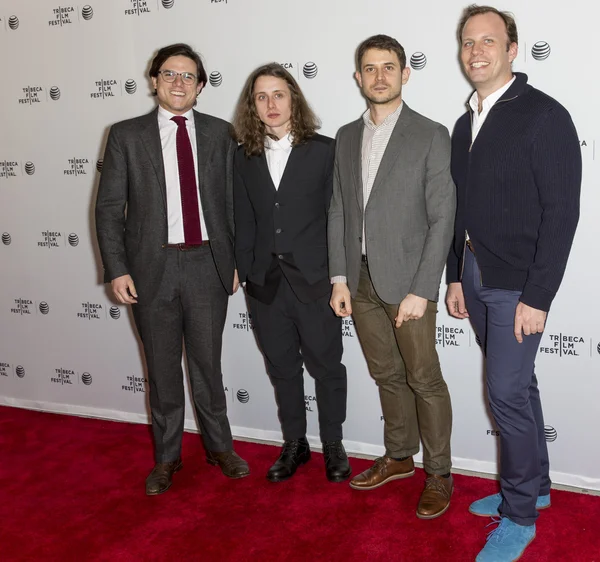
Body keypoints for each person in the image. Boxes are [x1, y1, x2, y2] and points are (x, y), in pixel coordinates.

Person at [446, 6, 581, 561]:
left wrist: (538, 297)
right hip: (475, 273)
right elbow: (461, 209)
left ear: (512, 49)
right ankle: (537, 488)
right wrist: (455, 274)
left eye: (488, 40)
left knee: (505, 392)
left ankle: (519, 512)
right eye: (467, 41)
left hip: (517, 282)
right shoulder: (464, 122)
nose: (476, 50)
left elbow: (562, 214)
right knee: (519, 388)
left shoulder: (544, 115)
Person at [95, 43, 249, 496]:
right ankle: (167, 458)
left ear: (201, 86)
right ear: (154, 80)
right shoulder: (125, 134)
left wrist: (235, 261)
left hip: (207, 265)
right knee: (161, 370)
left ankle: (220, 447)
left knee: (208, 364)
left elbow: (234, 205)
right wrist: (117, 268)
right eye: (169, 74)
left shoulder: (222, 134)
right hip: (149, 269)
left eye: (188, 76)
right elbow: (108, 210)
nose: (178, 83)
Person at [328, 35, 456, 518]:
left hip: (407, 284)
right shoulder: (345, 136)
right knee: (386, 374)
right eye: (369, 68)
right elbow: (339, 208)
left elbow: (442, 217)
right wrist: (338, 277)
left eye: (388, 67)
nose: (378, 76)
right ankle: (400, 456)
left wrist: (423, 289)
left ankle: (439, 474)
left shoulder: (430, 134)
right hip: (357, 282)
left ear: (405, 73)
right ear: (358, 77)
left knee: (424, 378)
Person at [233, 63, 350, 483]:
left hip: (316, 282)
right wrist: (243, 270)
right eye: (261, 97)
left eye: (278, 94)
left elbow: (339, 217)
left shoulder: (325, 150)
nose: (271, 104)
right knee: (282, 368)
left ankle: (333, 445)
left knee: (327, 367)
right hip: (264, 283)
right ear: (253, 106)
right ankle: (295, 444)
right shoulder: (242, 155)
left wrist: (340, 276)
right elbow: (242, 218)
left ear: (293, 98)